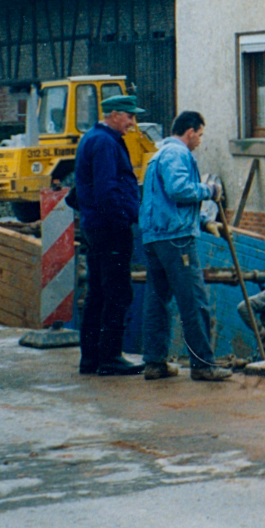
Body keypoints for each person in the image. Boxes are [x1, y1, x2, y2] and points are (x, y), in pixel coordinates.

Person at [138, 110, 232, 382]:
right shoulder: (177, 154)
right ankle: (203, 364)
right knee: (194, 301)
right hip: (176, 239)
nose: (200, 141)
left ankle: (154, 362)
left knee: (157, 300)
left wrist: (203, 221)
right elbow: (179, 190)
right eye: (200, 135)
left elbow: (165, 203)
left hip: (155, 238)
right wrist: (210, 190)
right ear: (190, 132)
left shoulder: (158, 154)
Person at [70, 94, 145, 376]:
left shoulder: (92, 138)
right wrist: (123, 221)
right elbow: (106, 189)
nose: (132, 123)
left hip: (95, 226)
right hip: (109, 228)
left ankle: (90, 358)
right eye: (129, 116)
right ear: (114, 115)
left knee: (97, 293)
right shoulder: (105, 142)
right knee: (117, 292)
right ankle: (110, 356)